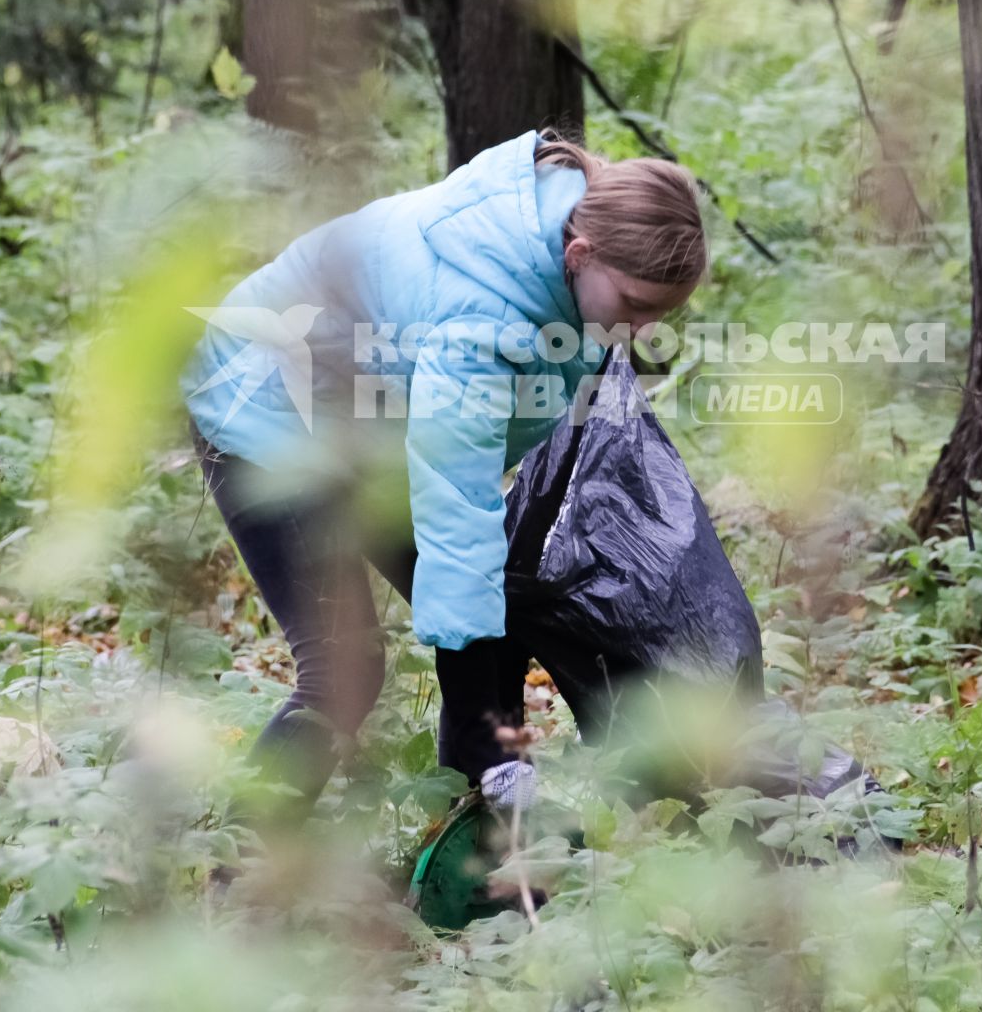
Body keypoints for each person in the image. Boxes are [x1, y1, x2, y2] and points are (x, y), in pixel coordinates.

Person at [181, 129, 707, 824]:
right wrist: (482, 727)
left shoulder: (586, 228)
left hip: (364, 427)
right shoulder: (482, 319)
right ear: (579, 256)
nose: (643, 332)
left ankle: (475, 867)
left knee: (497, 634)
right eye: (636, 306)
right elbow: (458, 508)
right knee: (345, 671)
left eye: (660, 315)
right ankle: (237, 871)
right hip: (262, 414)